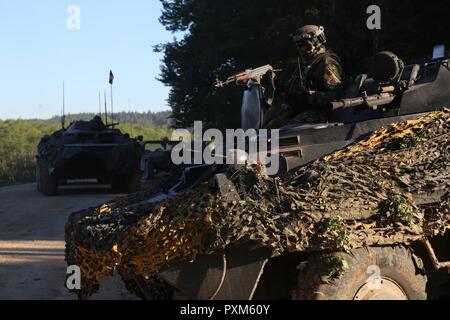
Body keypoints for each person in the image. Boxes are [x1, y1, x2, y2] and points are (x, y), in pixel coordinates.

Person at [263, 25, 344, 129]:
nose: (299, 49)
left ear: (314, 43)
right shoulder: (304, 64)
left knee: (287, 131)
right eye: (297, 45)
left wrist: (309, 96)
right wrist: (275, 82)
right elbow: (291, 92)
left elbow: (334, 94)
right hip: (301, 110)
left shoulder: (326, 64)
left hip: (320, 113)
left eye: (302, 45)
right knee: (268, 128)